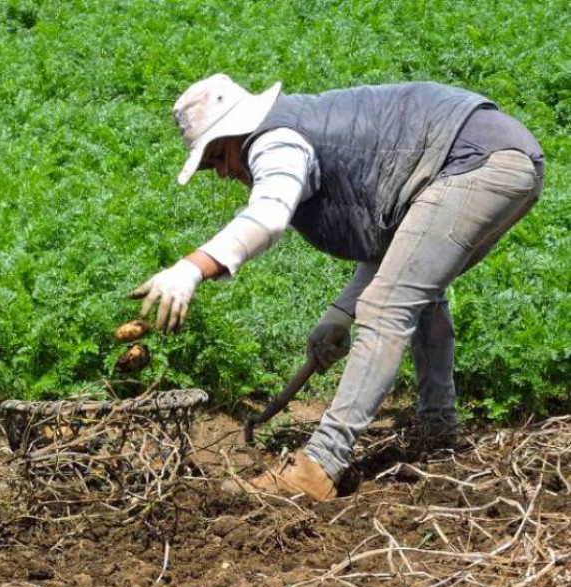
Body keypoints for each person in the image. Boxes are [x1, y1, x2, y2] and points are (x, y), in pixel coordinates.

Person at [130, 74, 544, 500]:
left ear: (239, 133)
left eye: (218, 157)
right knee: (418, 292)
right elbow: (398, 247)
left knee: (388, 307)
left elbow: (268, 217)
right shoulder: (296, 126)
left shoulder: (277, 142)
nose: (224, 173)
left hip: (477, 162)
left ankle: (320, 466)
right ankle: (438, 432)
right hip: (498, 155)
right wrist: (341, 314)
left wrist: (191, 268)